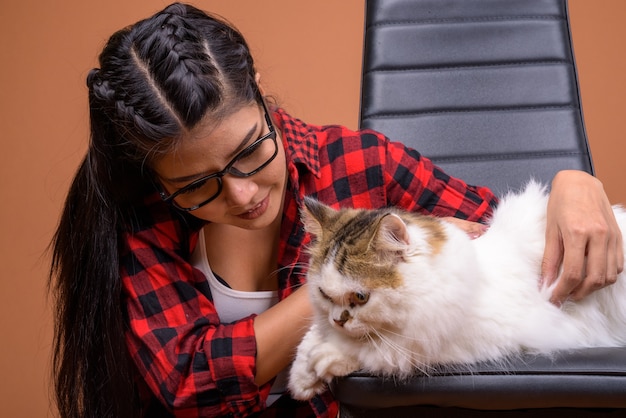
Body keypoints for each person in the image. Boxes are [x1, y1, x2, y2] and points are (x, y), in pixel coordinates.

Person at [48, 3, 623, 418]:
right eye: (199, 186)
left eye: (251, 151)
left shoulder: (361, 164)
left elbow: (496, 249)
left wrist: (572, 186)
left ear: (263, 103)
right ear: (160, 181)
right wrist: (339, 288)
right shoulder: (142, 217)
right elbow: (192, 384)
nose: (243, 194)